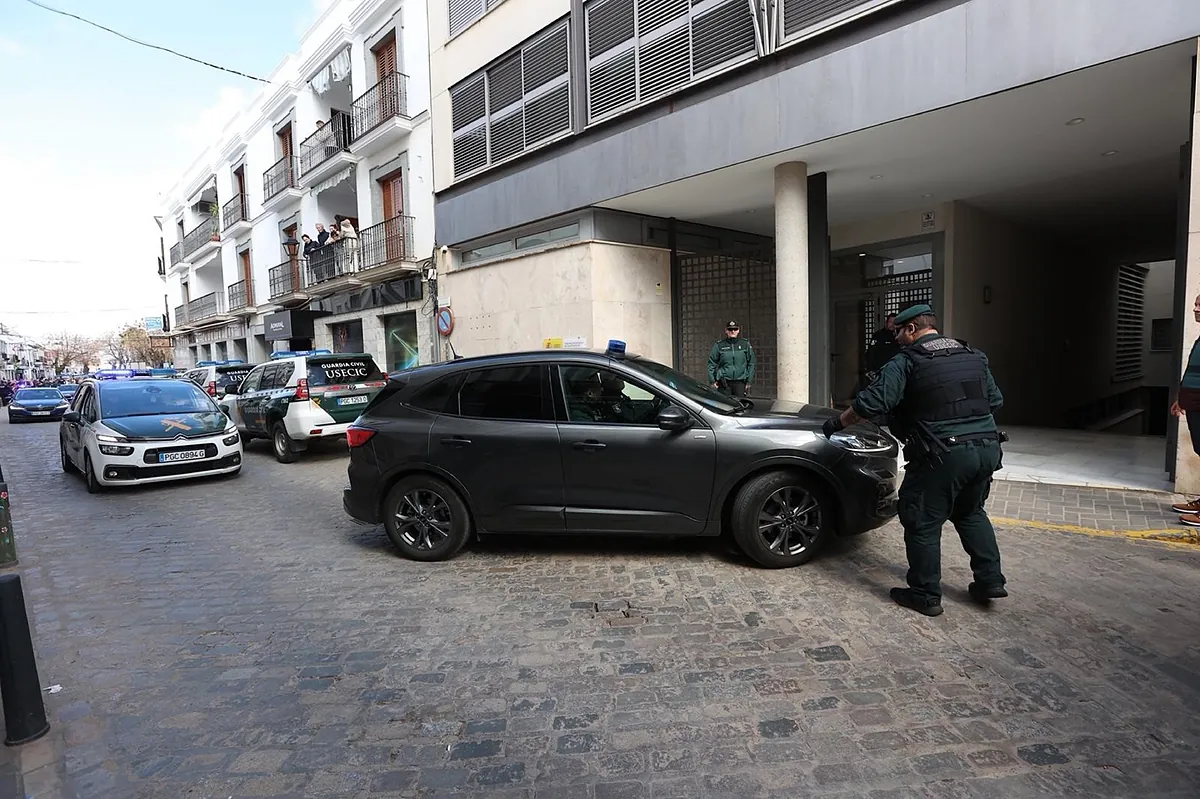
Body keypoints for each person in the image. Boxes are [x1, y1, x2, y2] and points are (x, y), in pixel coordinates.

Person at [822, 303, 1007, 617]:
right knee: (971, 512)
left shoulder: (908, 361)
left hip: (942, 455)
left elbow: (872, 403)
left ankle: (924, 594)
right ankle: (990, 581)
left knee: (921, 520)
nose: (895, 339)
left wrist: (837, 424)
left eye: (898, 332)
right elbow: (995, 400)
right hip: (987, 448)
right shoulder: (973, 355)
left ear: (911, 329)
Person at [1170, 293, 1200, 525]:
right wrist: (1182, 399)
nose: (1195, 309)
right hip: (1193, 403)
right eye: (1195, 305)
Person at [707, 320, 756, 398]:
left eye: (735, 329)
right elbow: (712, 363)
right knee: (724, 406)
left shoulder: (744, 344)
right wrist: (712, 380)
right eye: (730, 329)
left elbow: (751, 363)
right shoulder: (719, 345)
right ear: (726, 331)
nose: (732, 331)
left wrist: (749, 380)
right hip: (724, 382)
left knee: (740, 405)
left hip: (740, 382)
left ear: (738, 330)